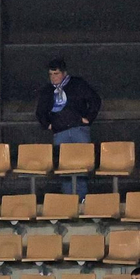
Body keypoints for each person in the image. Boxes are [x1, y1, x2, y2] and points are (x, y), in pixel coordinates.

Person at [35, 58, 101, 196]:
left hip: (79, 129)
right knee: (64, 168)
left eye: (56, 74)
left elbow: (94, 99)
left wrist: (88, 118)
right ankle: (67, 199)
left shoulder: (77, 84)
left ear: (64, 73)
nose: (53, 78)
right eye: (51, 74)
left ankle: (82, 198)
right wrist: (48, 125)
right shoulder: (47, 90)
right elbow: (40, 111)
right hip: (60, 131)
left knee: (82, 166)